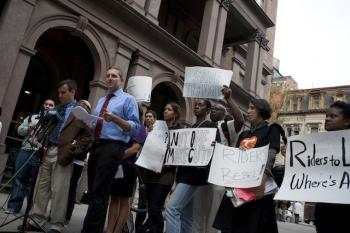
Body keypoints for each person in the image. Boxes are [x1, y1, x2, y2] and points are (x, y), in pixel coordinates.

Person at [25, 80, 93, 233]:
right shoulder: (56, 108)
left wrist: (73, 150)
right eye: (59, 92)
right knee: (41, 187)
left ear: (72, 92)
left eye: (63, 92)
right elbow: (48, 127)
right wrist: (38, 137)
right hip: (48, 150)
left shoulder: (81, 111)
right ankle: (37, 220)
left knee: (59, 190)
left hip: (64, 154)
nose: (60, 95)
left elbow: (89, 136)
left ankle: (56, 224)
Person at [81, 66, 140, 233]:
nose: (109, 78)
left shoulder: (128, 100)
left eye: (114, 76)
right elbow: (98, 126)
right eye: (107, 75)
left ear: (121, 81)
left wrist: (115, 118)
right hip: (97, 145)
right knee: (93, 190)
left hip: (113, 147)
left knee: (100, 192)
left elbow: (135, 128)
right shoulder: (101, 100)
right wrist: (87, 125)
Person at [213, 98, 281, 233]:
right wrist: (220, 150)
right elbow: (236, 158)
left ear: (261, 111)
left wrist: (261, 184)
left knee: (251, 225)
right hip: (237, 186)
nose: (248, 111)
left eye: (252, 108)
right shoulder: (244, 134)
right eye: (248, 108)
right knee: (230, 225)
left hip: (257, 187)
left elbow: (271, 156)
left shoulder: (272, 130)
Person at [193, 86, 244, 233]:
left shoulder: (226, 127)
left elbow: (240, 119)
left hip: (219, 177)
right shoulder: (204, 126)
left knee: (213, 215)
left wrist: (228, 98)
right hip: (201, 175)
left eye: (217, 109)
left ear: (224, 114)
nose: (213, 110)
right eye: (212, 109)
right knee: (198, 212)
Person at [165, 99, 219, 233]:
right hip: (184, 174)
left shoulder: (211, 126)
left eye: (200, 105)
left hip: (195, 175)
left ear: (207, 110)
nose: (196, 107)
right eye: (195, 105)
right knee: (187, 215)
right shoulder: (191, 128)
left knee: (172, 209)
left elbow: (216, 148)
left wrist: (214, 145)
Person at [4, 99, 55, 214]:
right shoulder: (33, 117)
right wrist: (29, 128)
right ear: (42, 106)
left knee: (35, 183)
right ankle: (13, 207)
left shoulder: (54, 121)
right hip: (25, 150)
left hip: (40, 154)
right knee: (19, 179)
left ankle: (31, 211)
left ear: (54, 108)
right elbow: (19, 130)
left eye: (51, 105)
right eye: (46, 104)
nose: (47, 106)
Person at [140, 102, 182, 233]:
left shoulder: (179, 131)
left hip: (165, 174)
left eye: (169, 110)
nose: (165, 111)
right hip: (150, 171)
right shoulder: (156, 127)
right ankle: (150, 228)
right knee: (151, 207)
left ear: (175, 113)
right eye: (164, 109)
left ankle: (156, 229)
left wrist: (168, 162)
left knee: (155, 206)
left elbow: (179, 153)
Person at [107, 106, 147, 233]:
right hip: (116, 166)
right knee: (113, 198)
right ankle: (109, 230)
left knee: (124, 200)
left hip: (128, 168)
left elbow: (135, 149)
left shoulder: (140, 129)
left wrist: (116, 156)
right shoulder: (123, 125)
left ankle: (117, 230)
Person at [314, 101, 350, 233]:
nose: (327, 119)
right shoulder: (317, 145)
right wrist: (291, 156)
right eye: (327, 115)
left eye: (333, 116)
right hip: (323, 208)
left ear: (347, 121)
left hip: (344, 210)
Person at [65, 100, 93, 224]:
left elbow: (87, 145)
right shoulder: (72, 120)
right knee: (61, 188)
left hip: (77, 162)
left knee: (71, 189)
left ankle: (66, 216)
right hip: (65, 159)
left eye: (86, 106)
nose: (82, 106)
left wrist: (73, 148)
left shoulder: (88, 124)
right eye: (81, 104)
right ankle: (54, 213)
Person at [134, 109, 157, 233]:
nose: (148, 118)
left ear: (155, 119)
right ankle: (138, 226)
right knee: (142, 196)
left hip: (152, 166)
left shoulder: (158, 132)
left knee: (150, 198)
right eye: (146, 116)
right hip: (140, 165)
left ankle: (150, 225)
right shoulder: (142, 130)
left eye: (150, 116)